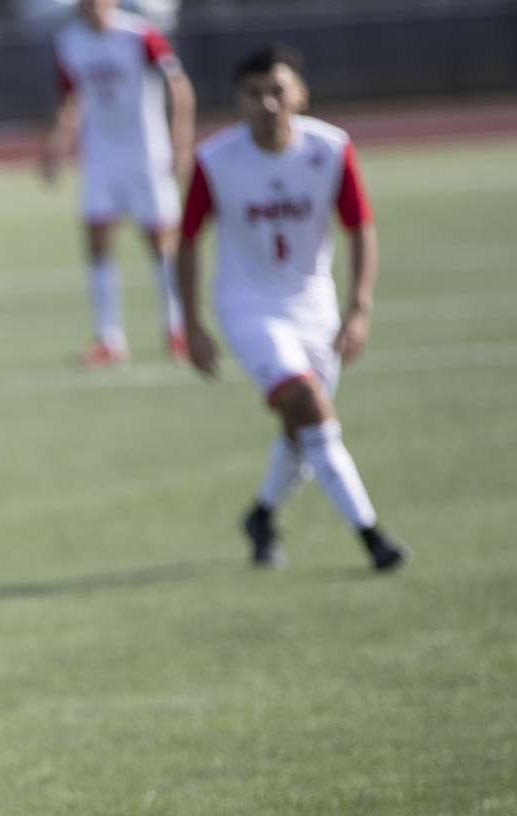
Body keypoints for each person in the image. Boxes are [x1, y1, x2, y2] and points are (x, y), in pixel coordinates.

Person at [179, 44, 408, 572]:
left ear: (300, 95)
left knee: (303, 433)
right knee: (309, 405)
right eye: (253, 94)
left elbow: (360, 227)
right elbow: (188, 240)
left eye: (277, 91)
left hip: (314, 305)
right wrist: (190, 322)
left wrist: (359, 308)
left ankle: (260, 515)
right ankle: (372, 537)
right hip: (248, 308)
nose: (267, 103)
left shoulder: (330, 149)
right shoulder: (215, 160)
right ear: (237, 101)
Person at [41, 0, 196, 367]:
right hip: (100, 157)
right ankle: (109, 339)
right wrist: (57, 143)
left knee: (161, 242)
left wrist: (181, 139)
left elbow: (178, 84)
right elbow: (69, 99)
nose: (91, 7)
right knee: (97, 240)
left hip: (146, 154)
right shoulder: (68, 41)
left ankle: (176, 328)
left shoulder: (140, 34)